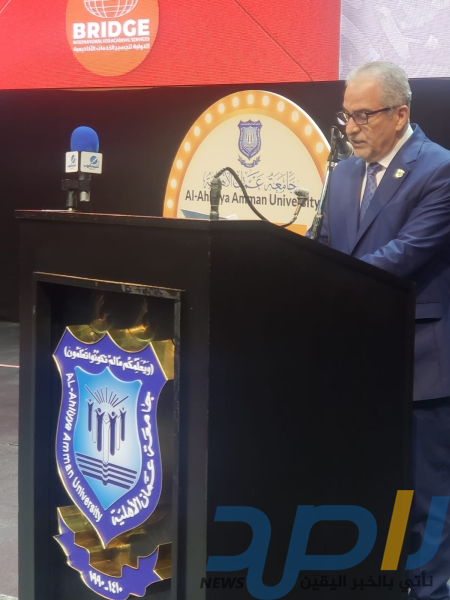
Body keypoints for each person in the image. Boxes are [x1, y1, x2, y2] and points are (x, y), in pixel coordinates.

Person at [318, 61, 450, 599]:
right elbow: (322, 246)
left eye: (363, 116)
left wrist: (330, 280)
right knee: (366, 496)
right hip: (355, 366)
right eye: (346, 115)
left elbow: (405, 254)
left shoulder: (439, 170)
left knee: (426, 502)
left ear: (400, 114)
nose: (351, 127)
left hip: (419, 367)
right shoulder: (342, 174)